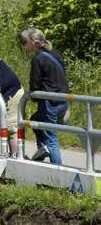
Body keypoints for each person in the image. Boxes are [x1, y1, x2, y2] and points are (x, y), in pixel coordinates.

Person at [21, 28, 69, 164]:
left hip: (50, 102)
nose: (24, 45)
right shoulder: (55, 53)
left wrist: (33, 96)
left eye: (25, 42)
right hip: (63, 99)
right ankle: (43, 148)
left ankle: (57, 174)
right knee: (35, 120)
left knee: (51, 137)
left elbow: (35, 83)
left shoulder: (38, 58)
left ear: (33, 42)